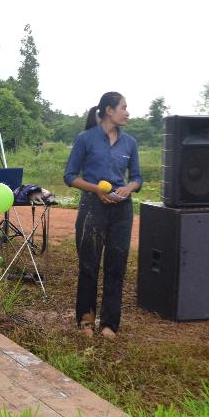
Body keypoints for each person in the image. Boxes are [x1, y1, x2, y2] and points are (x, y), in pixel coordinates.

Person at [63, 92, 142, 339]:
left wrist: (129, 188)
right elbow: (70, 176)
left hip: (122, 210)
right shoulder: (85, 139)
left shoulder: (130, 143)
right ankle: (86, 321)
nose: (127, 112)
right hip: (93, 207)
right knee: (89, 266)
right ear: (109, 110)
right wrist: (96, 189)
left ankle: (109, 324)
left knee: (116, 267)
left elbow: (137, 177)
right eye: (123, 107)